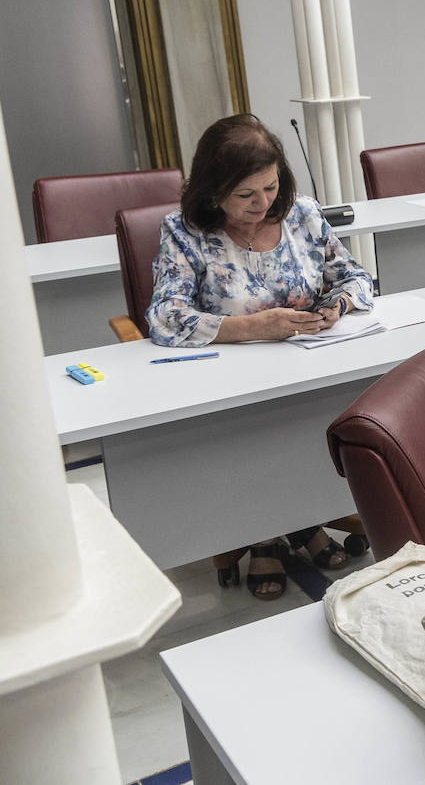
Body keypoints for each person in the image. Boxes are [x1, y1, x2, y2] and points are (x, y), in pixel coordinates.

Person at [148, 114, 374, 598]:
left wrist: (336, 305)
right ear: (212, 192)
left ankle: (301, 517)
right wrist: (253, 327)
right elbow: (166, 318)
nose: (262, 204)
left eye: (270, 188)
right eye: (245, 195)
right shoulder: (186, 232)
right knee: (259, 435)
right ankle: (265, 532)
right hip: (230, 388)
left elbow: (358, 278)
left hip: (311, 369)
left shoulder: (304, 215)